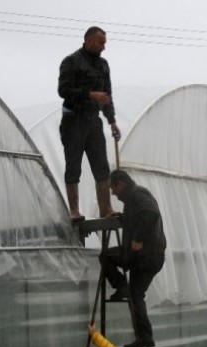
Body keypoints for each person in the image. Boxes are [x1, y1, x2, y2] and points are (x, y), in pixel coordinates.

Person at [58, 26, 120, 222]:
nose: (104, 47)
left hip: (94, 121)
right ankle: (74, 210)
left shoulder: (103, 65)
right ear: (89, 40)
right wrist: (90, 95)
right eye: (101, 43)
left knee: (101, 166)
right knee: (73, 165)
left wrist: (112, 121)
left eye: (105, 43)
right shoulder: (71, 61)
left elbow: (107, 95)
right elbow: (63, 90)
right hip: (73, 120)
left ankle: (106, 209)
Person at [104, 170, 167, 347]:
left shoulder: (137, 194)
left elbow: (150, 214)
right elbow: (139, 217)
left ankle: (121, 286)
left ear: (121, 183)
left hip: (146, 255)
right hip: (147, 256)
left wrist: (138, 239)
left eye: (113, 188)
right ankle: (145, 337)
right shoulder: (134, 198)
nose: (113, 193)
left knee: (106, 256)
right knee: (135, 295)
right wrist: (121, 217)